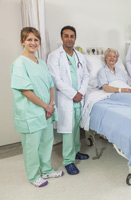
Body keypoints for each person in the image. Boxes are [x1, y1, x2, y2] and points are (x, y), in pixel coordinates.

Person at [11, 27, 63, 187]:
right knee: (31, 147)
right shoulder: (19, 63)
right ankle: (34, 176)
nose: (33, 43)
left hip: (46, 111)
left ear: (39, 42)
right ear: (22, 42)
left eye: (36, 40)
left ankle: (46, 169)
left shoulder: (40, 63)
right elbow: (25, 90)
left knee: (47, 143)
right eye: (29, 40)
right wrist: (46, 107)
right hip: (31, 112)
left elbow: (49, 85)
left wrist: (51, 104)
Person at [47, 26, 90, 175]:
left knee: (76, 129)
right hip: (66, 99)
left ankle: (76, 151)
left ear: (75, 38)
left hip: (78, 98)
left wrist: (81, 92)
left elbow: (86, 76)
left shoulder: (80, 56)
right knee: (67, 131)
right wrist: (73, 94)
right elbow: (55, 80)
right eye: (66, 36)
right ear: (61, 37)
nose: (69, 39)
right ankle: (68, 161)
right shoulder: (54, 56)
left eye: (72, 36)